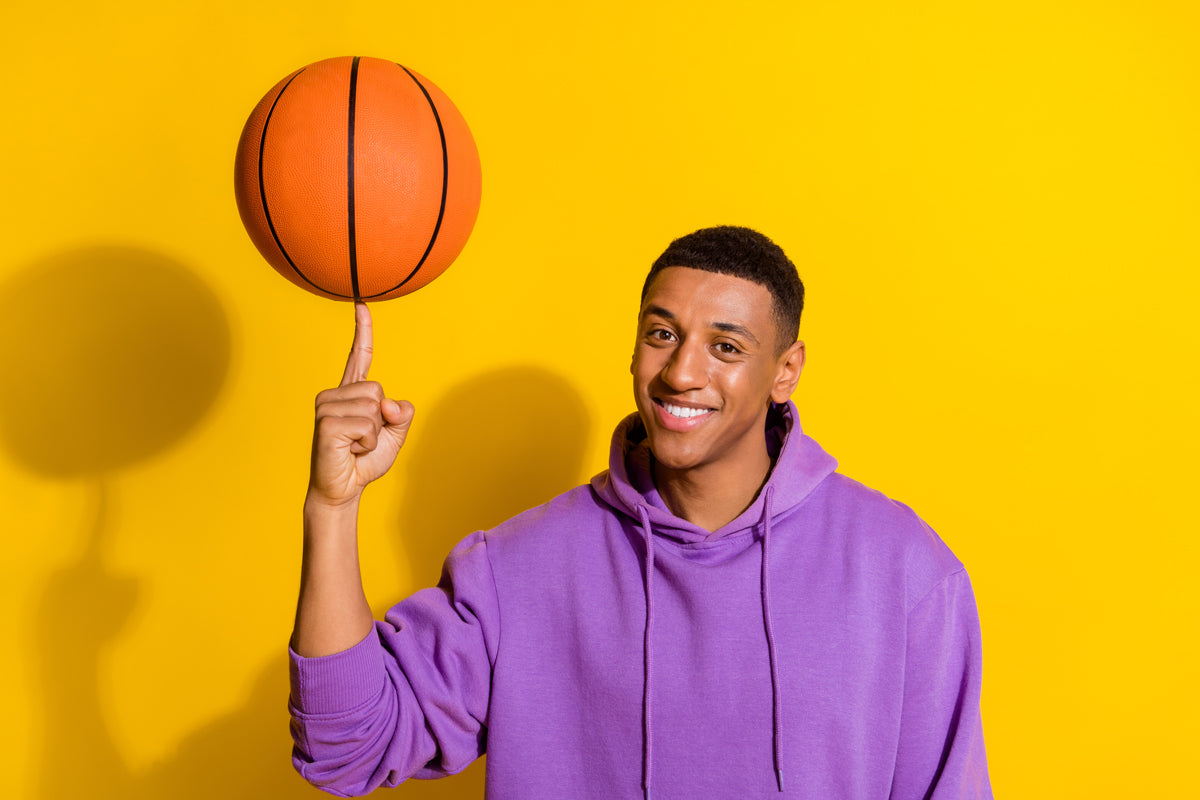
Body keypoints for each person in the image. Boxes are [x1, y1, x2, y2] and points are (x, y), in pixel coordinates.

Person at [289, 226, 993, 799]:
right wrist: (332, 505)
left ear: (786, 370)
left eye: (725, 347)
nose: (683, 373)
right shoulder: (517, 569)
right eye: (662, 335)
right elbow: (346, 748)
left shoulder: (903, 572)